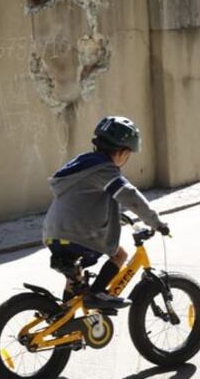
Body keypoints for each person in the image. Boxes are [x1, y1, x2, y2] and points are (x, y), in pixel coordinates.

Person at [41, 116, 169, 308]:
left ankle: (64, 321)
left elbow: (86, 202)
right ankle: (97, 294)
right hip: (79, 235)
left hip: (52, 233)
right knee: (120, 255)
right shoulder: (105, 170)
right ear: (121, 152)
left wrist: (116, 217)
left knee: (77, 277)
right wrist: (156, 222)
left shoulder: (83, 165)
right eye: (128, 154)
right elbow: (129, 196)